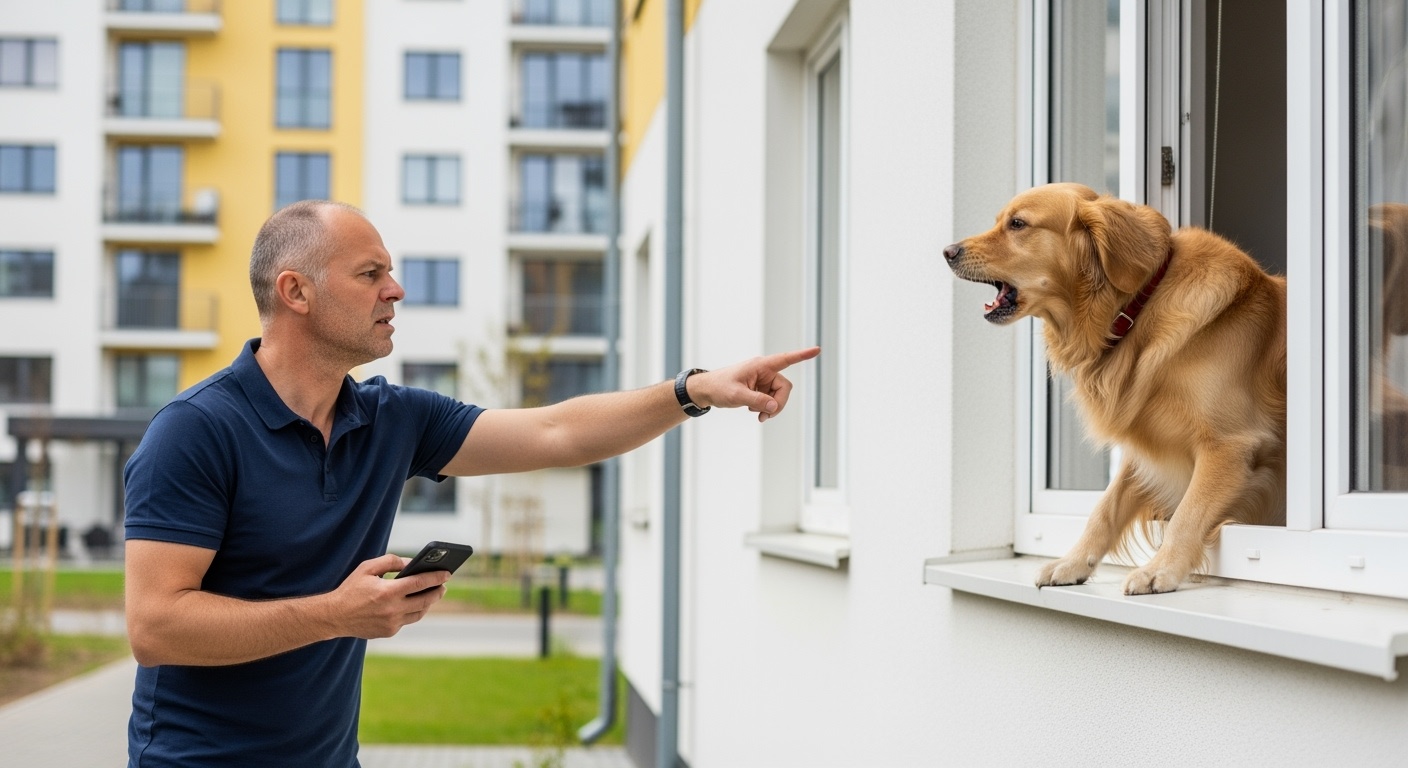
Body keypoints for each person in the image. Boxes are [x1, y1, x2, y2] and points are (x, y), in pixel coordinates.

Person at [122, 199, 818, 767]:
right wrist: (336, 613)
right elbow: (155, 625)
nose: (395, 290)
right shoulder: (195, 431)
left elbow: (558, 433)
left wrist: (694, 390)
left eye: (390, 273)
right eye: (371, 274)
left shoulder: (391, 419)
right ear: (295, 291)